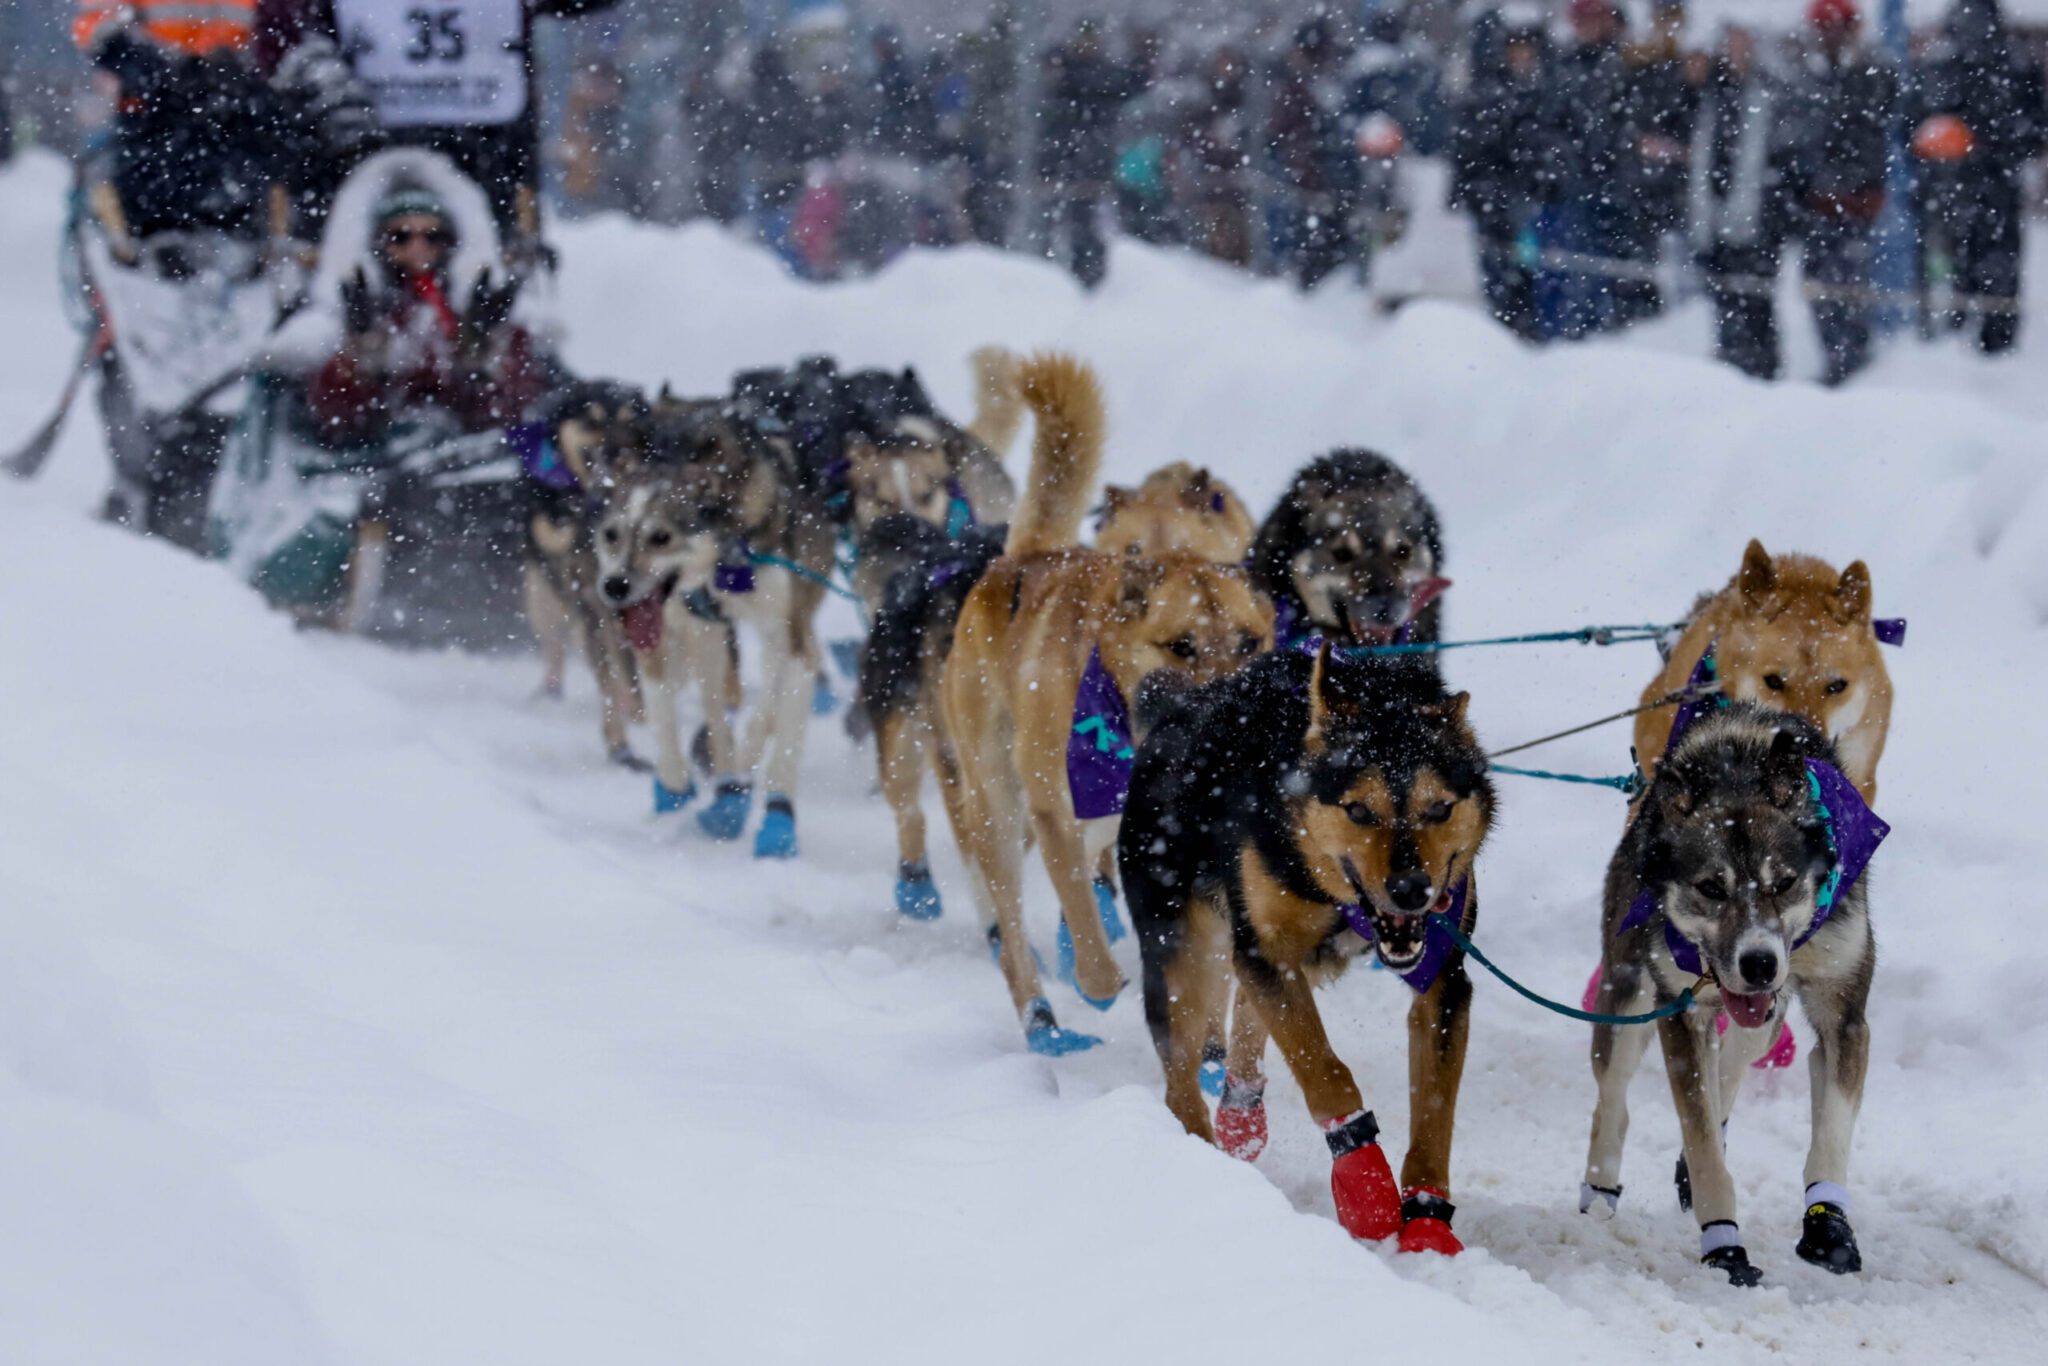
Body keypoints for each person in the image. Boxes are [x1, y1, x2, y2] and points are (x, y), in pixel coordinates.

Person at [252, 0, 622, 244]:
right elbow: (282, 27)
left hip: (486, 134)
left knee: (495, 257)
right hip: (352, 134)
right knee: (339, 252)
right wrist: (314, 69)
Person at [307, 186, 545, 446]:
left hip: (463, 449)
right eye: (401, 236)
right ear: (381, 242)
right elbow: (331, 414)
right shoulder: (359, 302)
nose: (418, 246)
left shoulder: (470, 300)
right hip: (381, 453)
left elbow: (514, 407)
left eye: (432, 236)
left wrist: (483, 354)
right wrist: (363, 354)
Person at [1912, 0, 2045, 353]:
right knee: (1971, 271)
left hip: (1971, 189)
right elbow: (1916, 123)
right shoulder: (2004, 60)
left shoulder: (1953, 61)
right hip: (1962, 189)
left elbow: (2035, 128)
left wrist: (1980, 144)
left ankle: (1976, 343)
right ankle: (1974, 342)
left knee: (1980, 273)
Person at [1778, 0, 1895, 385]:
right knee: (1819, 289)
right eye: (1823, 27)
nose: (1828, 35)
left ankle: (1854, 364)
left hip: (1857, 204)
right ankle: (1835, 358)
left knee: (1852, 286)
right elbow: (1800, 138)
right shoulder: (1806, 75)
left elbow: (1871, 135)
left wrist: (1851, 183)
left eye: (1835, 27)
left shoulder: (1871, 70)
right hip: (1818, 205)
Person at [1687, 26, 1790, 379]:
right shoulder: (1713, 96)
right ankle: (1733, 365)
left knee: (1757, 301)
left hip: (1758, 218)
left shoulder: (1770, 93)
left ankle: (1763, 368)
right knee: (1724, 299)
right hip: (1716, 214)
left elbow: (1781, 158)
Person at [1450, 12, 1550, 339]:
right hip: (1494, 198)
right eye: (1515, 48)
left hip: (1530, 196)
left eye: (1526, 48)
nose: (1521, 55)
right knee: (1498, 271)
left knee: (1530, 269)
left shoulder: (1544, 86)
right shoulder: (1488, 91)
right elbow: (1470, 148)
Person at [1038, 20, 1142, 288]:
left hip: (1094, 162)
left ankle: (1094, 278)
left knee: (1094, 228)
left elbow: (1117, 85)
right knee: (1071, 227)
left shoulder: (1097, 74)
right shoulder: (1071, 75)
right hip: (1070, 162)